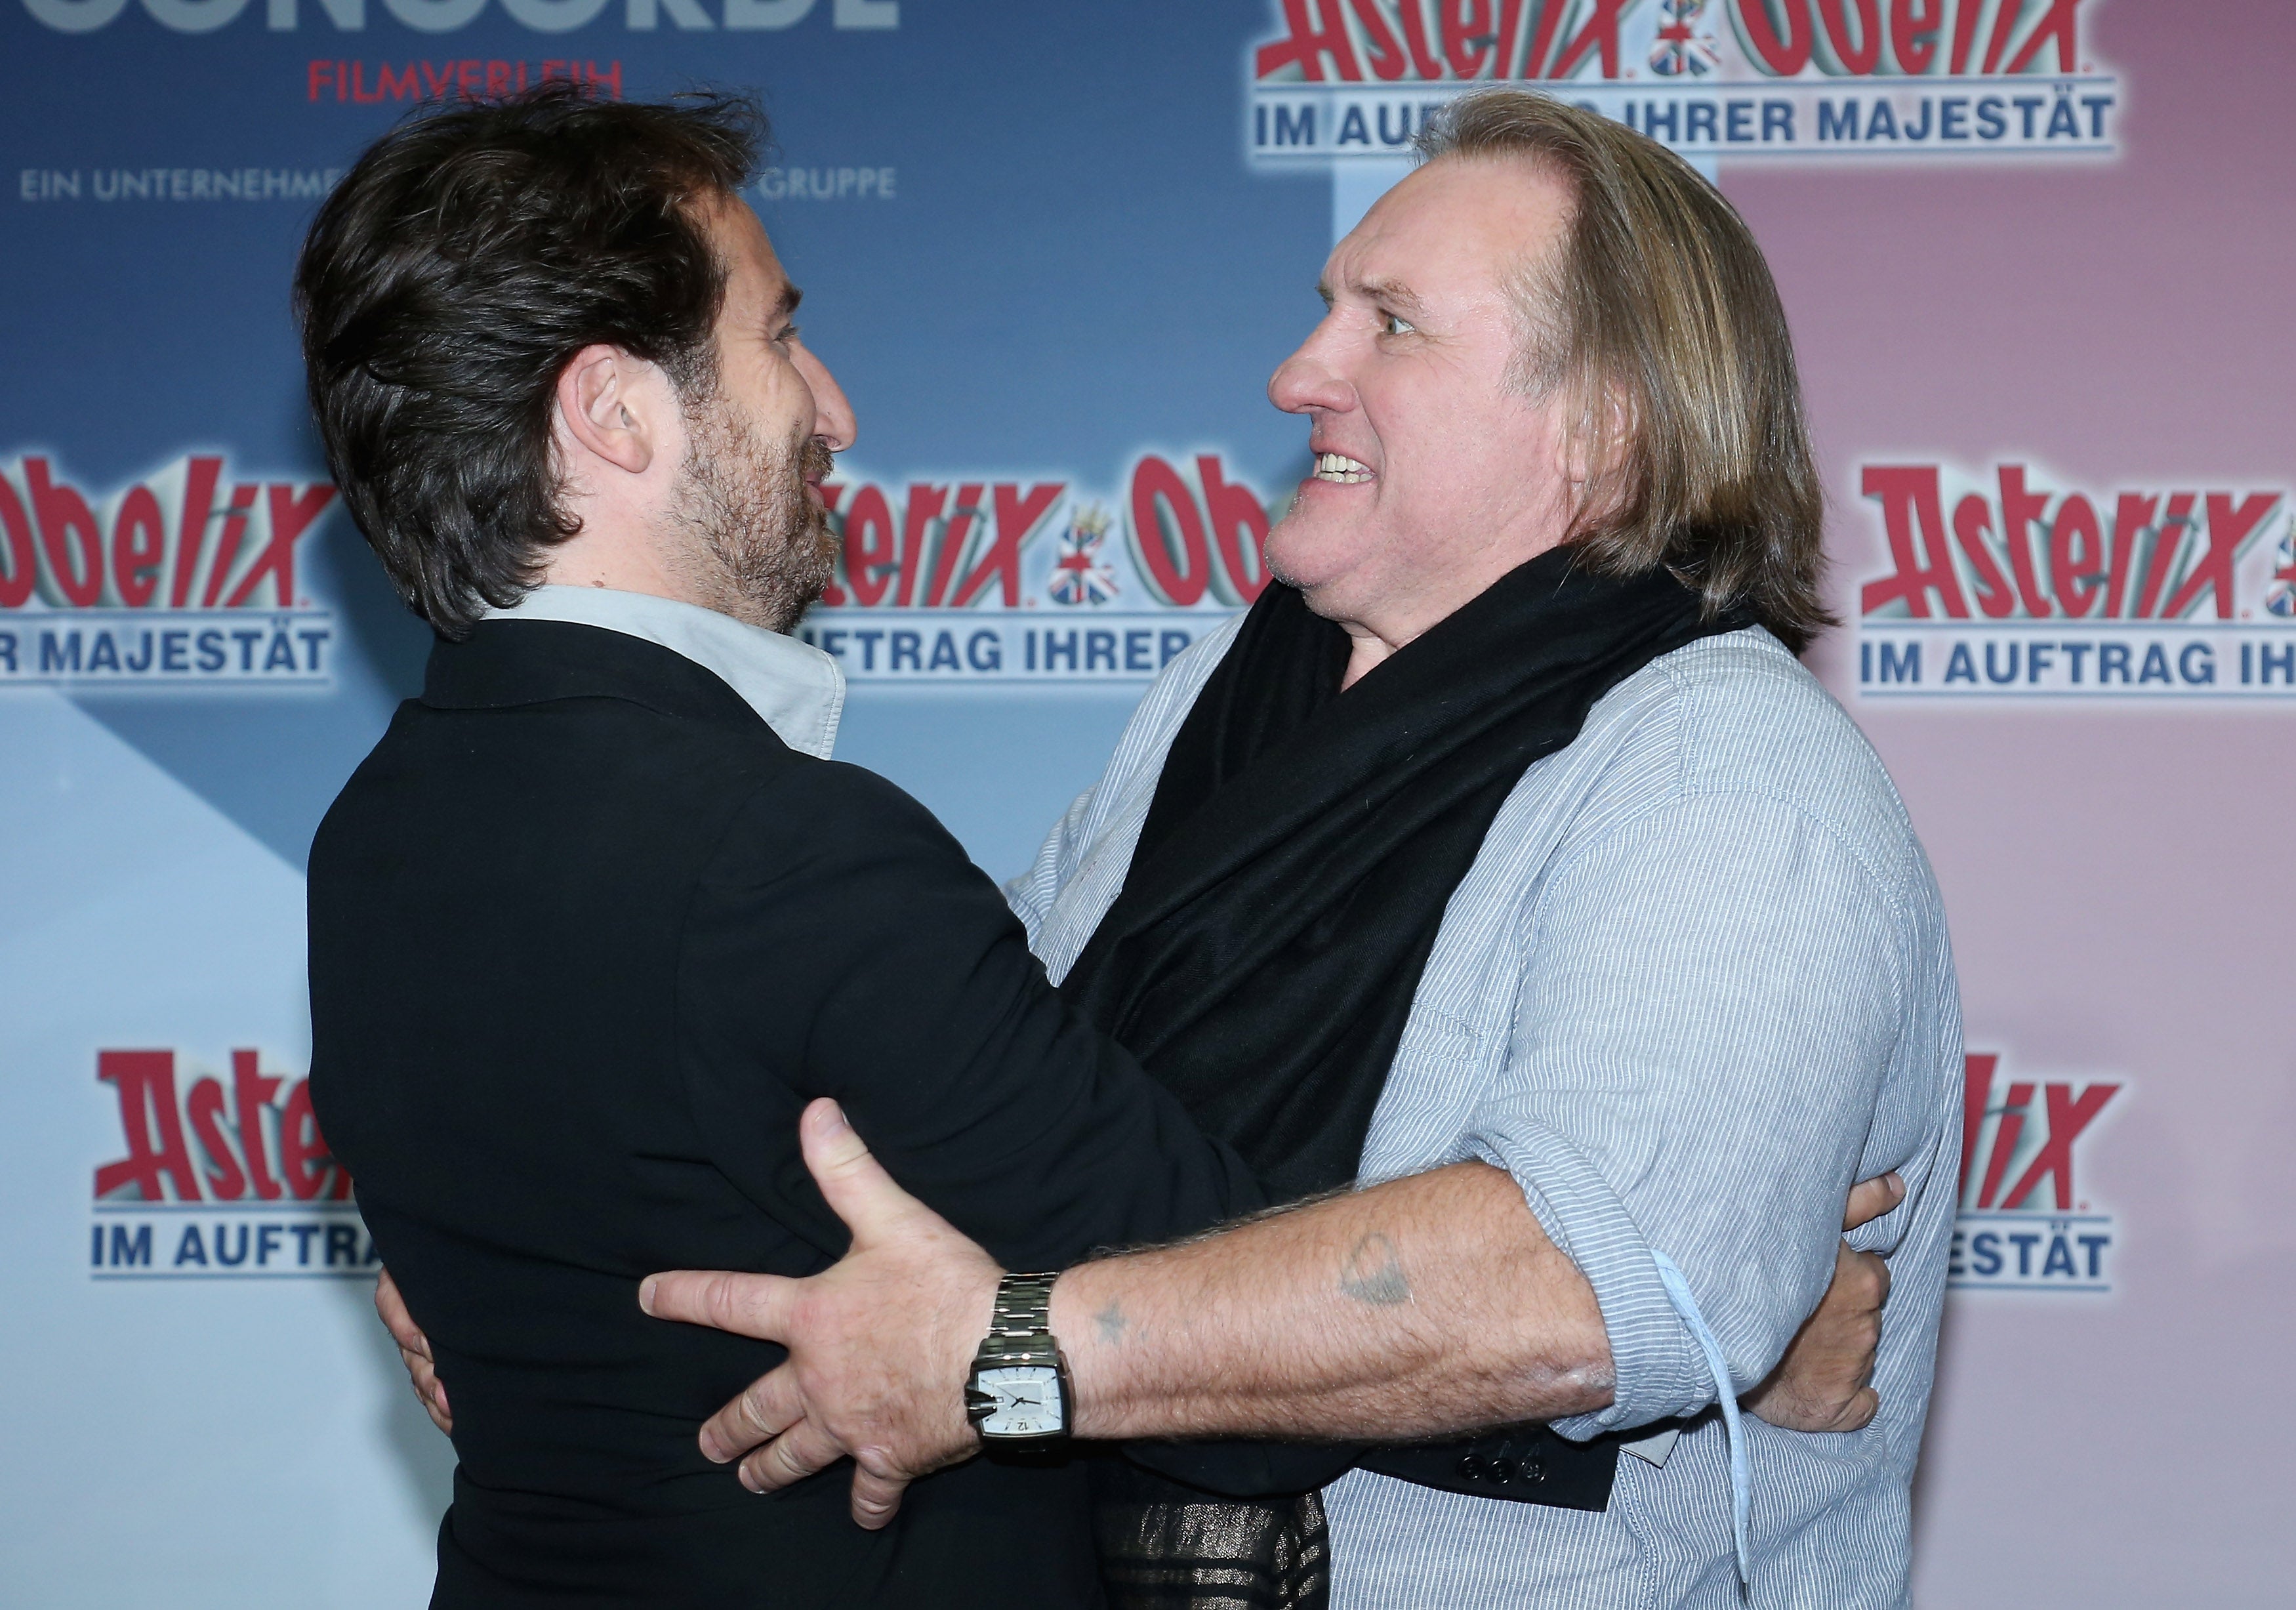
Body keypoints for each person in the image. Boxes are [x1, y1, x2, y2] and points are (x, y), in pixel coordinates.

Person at [321, 83, 1893, 1609]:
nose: (1297, 372)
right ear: (609, 413)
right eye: (1325, 306)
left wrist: (1684, 1314)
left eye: (1390, 324)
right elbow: (980, 1102)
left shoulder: (1723, 770)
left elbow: (1580, 1294)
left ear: (1607, 418)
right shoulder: (1228, 695)